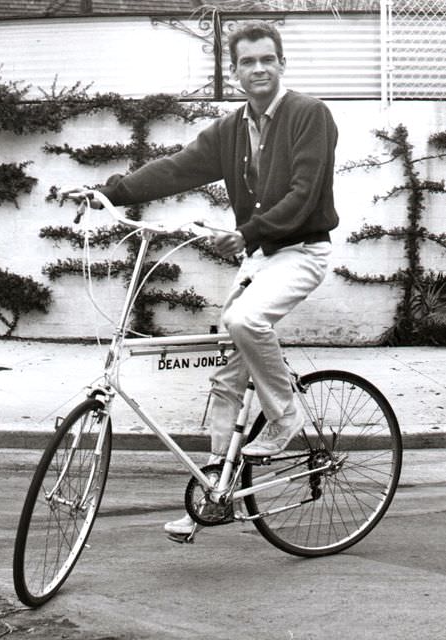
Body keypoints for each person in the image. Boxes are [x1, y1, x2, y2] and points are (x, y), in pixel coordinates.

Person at [95, 21, 339, 537]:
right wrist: (111, 194)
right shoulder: (230, 129)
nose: (258, 69)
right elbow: (178, 167)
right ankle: (213, 497)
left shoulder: (309, 114)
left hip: (301, 251)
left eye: (266, 59)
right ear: (234, 73)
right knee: (225, 379)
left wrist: (248, 231)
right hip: (261, 255)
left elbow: (303, 191)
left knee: (245, 320)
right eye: (247, 62)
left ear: (281, 63)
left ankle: (286, 416)